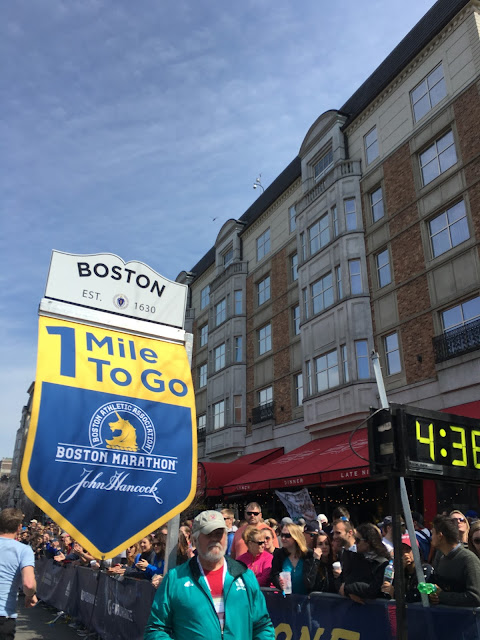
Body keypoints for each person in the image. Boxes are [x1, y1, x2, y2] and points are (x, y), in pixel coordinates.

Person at [144, 510, 275, 640]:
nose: (215, 539)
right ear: (195, 539)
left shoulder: (244, 575)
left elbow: (263, 626)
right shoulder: (175, 579)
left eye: (219, 534)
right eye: (209, 534)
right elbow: (156, 629)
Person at [0, 508, 37, 639]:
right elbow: (28, 583)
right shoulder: (23, 550)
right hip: (3, 615)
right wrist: (30, 595)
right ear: (19, 527)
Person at [429, 514, 480, 607]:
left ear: (440, 536)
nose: (431, 538)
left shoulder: (468, 560)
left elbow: (475, 597)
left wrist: (442, 596)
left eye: (432, 533)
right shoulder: (441, 559)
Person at [339, 522, 390, 603]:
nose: (355, 543)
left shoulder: (382, 564)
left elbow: (373, 589)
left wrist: (347, 588)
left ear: (368, 542)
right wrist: (348, 593)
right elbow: (340, 579)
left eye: (358, 540)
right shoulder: (354, 557)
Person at [270, 523, 322, 595]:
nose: (283, 538)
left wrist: (315, 560)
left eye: (287, 536)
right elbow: (274, 575)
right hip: (286, 598)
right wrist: (279, 582)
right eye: (282, 535)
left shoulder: (309, 555)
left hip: (306, 598)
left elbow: (310, 582)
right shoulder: (278, 554)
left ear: (296, 537)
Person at [381, 533, 434, 603]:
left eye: (408, 549)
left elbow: (416, 596)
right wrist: (401, 569)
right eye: (401, 550)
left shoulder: (425, 569)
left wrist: (394, 593)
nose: (405, 553)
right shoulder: (397, 570)